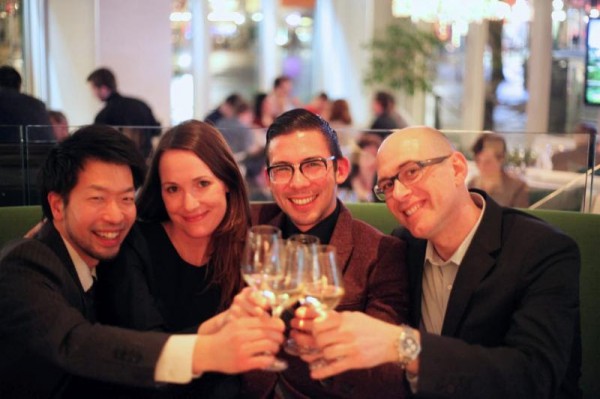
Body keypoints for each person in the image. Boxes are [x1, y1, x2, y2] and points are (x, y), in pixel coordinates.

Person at [294, 126, 581, 399]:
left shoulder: (541, 251)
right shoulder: (405, 247)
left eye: (412, 172)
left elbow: (534, 377)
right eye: (388, 185)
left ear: (457, 168)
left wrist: (402, 345)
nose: (401, 194)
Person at [0, 125, 285, 398]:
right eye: (97, 198)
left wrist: (215, 328)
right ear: (57, 205)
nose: (115, 215)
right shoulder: (25, 264)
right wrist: (207, 350)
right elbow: (76, 343)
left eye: (126, 198)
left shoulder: (93, 262)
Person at [244, 108, 408, 398]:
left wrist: (326, 345)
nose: (297, 183)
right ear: (268, 179)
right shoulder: (252, 228)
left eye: (312, 165)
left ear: (340, 170)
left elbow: (387, 375)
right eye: (282, 169)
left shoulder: (382, 253)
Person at [96, 119, 253, 397]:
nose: (189, 204)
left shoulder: (248, 245)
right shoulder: (135, 245)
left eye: (202, 184)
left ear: (227, 182)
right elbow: (146, 353)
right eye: (173, 189)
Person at [87, 67, 160, 158]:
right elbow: (156, 130)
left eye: (93, 89)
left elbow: (99, 145)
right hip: (146, 161)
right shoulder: (141, 104)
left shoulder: (104, 115)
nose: (93, 94)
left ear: (103, 89)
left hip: (122, 163)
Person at [468, 133, 529, 208]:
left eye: (487, 162)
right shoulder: (472, 184)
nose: (481, 166)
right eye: (477, 160)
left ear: (501, 159)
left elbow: (520, 218)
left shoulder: (517, 188)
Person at [0, 65, 53, 141]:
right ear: (19, 85)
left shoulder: (3, 100)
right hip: (43, 151)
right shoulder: (38, 105)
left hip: (10, 151)